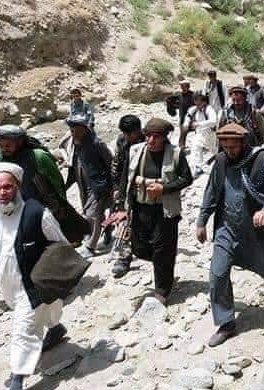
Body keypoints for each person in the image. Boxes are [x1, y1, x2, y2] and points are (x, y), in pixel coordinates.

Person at [0, 163, 69, 390]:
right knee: (48, 312)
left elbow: (61, 248)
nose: (3, 193)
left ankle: (16, 384)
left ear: (17, 186)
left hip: (34, 285)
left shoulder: (37, 213)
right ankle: (56, 329)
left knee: (23, 330)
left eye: (8, 187)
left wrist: (55, 278)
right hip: (8, 285)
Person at [196, 123, 264, 346]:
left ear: (244, 142)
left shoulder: (260, 158)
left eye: (234, 146)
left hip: (256, 231)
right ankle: (226, 323)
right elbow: (211, 191)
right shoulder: (220, 161)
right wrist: (202, 221)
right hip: (226, 230)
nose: (230, 150)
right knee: (217, 275)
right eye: (225, 146)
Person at [110, 118, 193, 304]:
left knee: (163, 250)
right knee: (139, 248)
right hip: (140, 208)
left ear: (165, 138)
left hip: (165, 211)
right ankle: (163, 263)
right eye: (148, 136)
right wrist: (121, 206)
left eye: (156, 137)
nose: (151, 141)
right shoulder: (135, 151)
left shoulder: (176, 154)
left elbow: (186, 179)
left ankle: (162, 290)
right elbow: (126, 179)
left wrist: (164, 189)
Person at [63, 115, 113, 258]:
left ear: (85, 129)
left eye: (77, 130)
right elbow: (74, 164)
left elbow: (111, 164)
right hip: (83, 184)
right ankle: (107, 229)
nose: (74, 133)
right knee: (94, 212)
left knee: (93, 215)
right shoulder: (75, 142)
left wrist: (111, 186)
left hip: (98, 186)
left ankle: (91, 246)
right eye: (72, 130)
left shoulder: (97, 143)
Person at [0, 125, 66, 206]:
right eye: (1, 146)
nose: (4, 149)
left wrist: (62, 207)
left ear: (20, 142)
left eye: (8, 146)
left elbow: (57, 185)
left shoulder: (38, 157)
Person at [108, 114, 144, 278]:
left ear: (138, 131)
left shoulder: (148, 142)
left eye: (130, 133)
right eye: (125, 133)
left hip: (142, 188)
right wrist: (116, 188)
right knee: (123, 223)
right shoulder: (122, 141)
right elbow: (116, 164)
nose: (128, 137)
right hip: (124, 188)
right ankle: (123, 258)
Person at [183, 92, 218, 178]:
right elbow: (188, 115)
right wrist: (186, 124)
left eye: (199, 101)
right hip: (199, 134)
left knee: (214, 152)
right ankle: (197, 167)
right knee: (195, 149)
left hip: (210, 135)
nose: (197, 104)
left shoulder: (209, 109)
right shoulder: (194, 109)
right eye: (195, 101)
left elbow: (213, 121)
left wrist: (199, 124)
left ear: (204, 101)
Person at [177, 80, 195, 149]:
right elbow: (178, 104)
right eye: (181, 86)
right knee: (183, 132)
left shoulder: (192, 95)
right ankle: (181, 146)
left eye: (183, 86)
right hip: (182, 117)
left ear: (187, 86)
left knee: (184, 132)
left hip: (190, 117)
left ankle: (181, 146)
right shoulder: (180, 95)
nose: (182, 87)